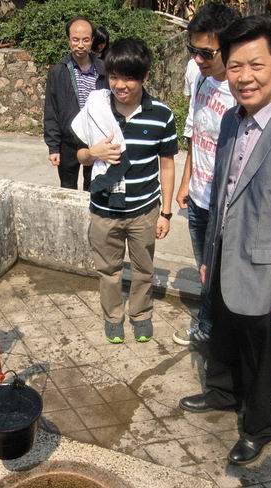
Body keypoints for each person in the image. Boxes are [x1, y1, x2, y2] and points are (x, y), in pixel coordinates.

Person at [181, 15, 271, 465]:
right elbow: (222, 192)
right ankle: (221, 392)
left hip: (268, 276)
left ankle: (258, 425)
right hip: (224, 258)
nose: (245, 77)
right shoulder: (232, 120)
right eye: (235, 66)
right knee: (223, 338)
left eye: (256, 65)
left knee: (262, 359)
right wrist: (209, 254)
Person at [72, 38, 177, 343]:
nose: (120, 85)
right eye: (114, 77)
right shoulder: (96, 109)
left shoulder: (162, 115)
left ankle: (141, 314)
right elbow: (79, 156)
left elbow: (167, 166)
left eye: (129, 78)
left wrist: (165, 213)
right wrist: (93, 153)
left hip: (144, 211)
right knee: (108, 270)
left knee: (144, 269)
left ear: (145, 76)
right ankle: (113, 317)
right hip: (105, 211)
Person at [173, 2, 240, 346]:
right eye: (193, 50)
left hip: (223, 204)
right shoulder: (201, 79)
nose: (197, 59)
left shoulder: (241, 93)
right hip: (198, 197)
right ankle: (208, 324)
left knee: (221, 275)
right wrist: (186, 181)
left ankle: (215, 332)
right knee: (204, 271)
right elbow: (196, 134)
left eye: (205, 53)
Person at [44, 16, 107, 192]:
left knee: (93, 188)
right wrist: (53, 147)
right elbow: (51, 110)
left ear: (92, 40)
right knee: (67, 189)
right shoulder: (59, 71)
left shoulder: (103, 69)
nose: (80, 45)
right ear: (69, 40)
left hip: (95, 140)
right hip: (68, 142)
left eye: (85, 40)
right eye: (75, 40)